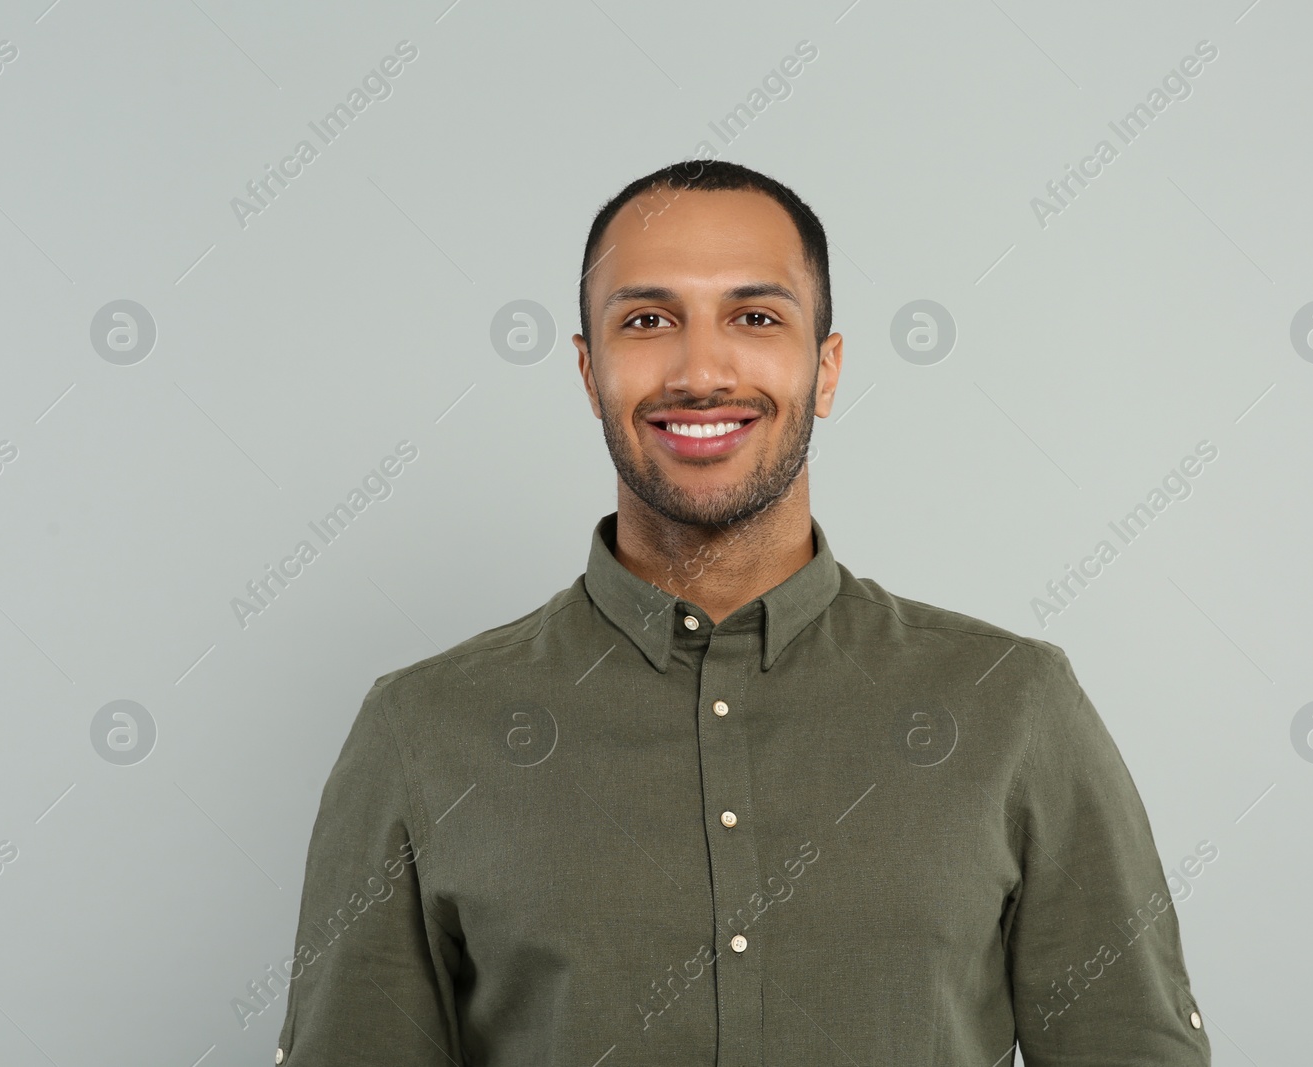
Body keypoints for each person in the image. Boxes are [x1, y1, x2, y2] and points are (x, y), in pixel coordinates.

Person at [274, 159, 1212, 1065]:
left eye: (755, 316)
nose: (701, 370)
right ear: (589, 371)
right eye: (648, 319)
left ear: (827, 368)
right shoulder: (421, 729)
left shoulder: (1013, 705)